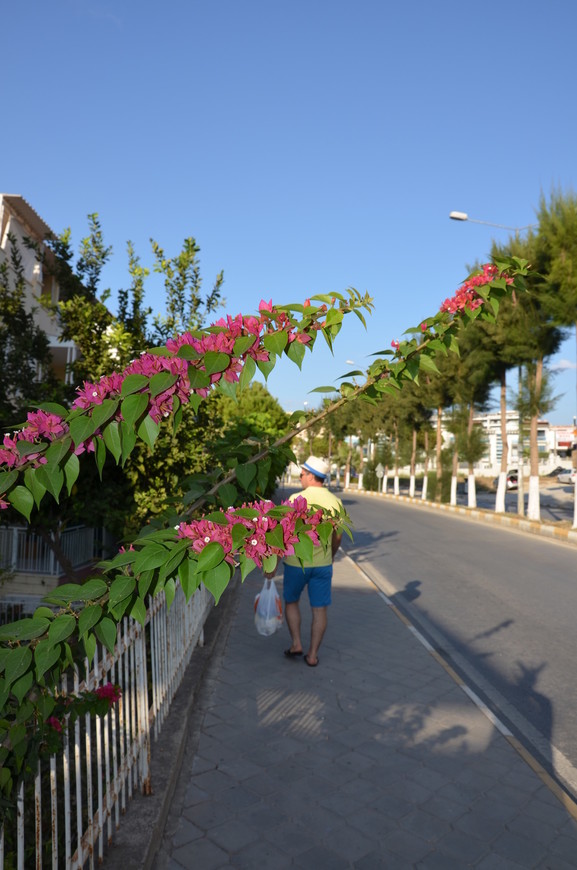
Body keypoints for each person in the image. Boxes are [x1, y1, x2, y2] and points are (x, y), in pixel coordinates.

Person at [281, 455, 345, 667]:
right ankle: (313, 655)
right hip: (323, 565)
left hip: (294, 564)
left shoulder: (294, 500)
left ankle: (296, 643)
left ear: (310, 476)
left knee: (291, 602)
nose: (300, 477)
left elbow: (282, 534)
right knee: (319, 610)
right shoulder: (336, 502)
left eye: (302, 473)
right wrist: (331, 556)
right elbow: (337, 537)